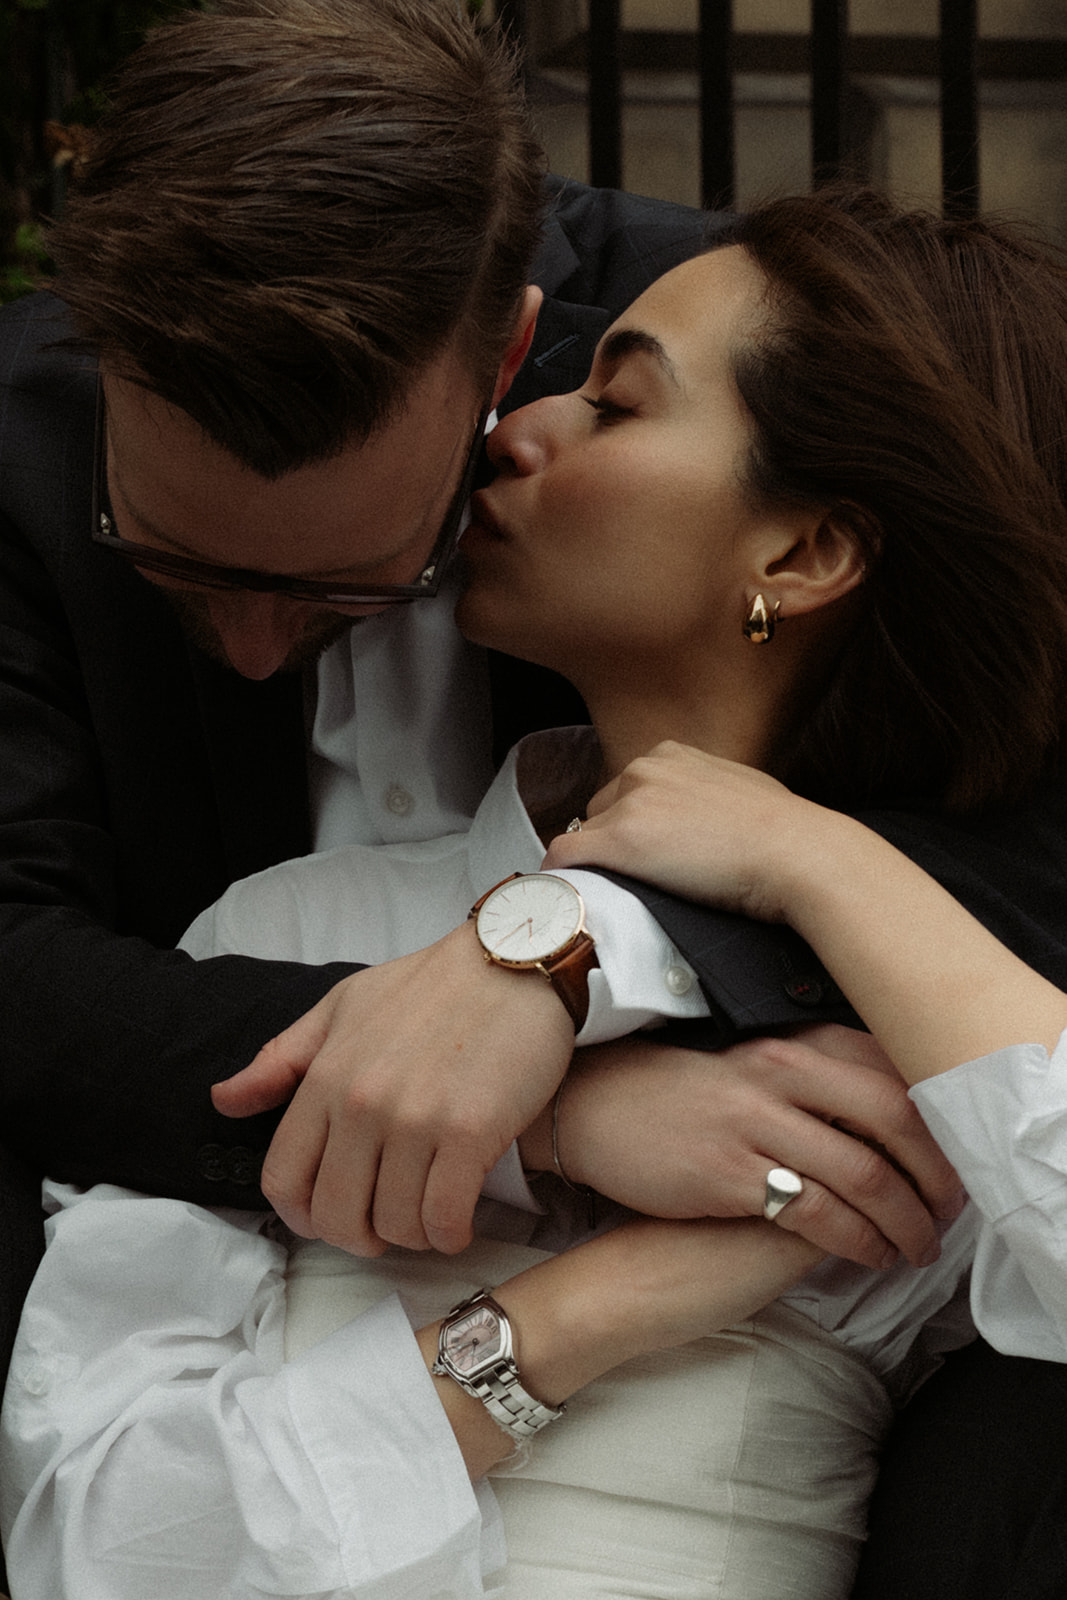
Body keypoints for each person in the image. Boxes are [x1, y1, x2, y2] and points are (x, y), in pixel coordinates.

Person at [0, 0, 1064, 1587]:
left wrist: (769, 877)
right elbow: (98, 1540)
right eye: (170, 564)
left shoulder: (921, 1077)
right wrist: (569, 1170)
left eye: (362, 576)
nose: (244, 654)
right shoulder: (277, 921)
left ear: (506, 353)